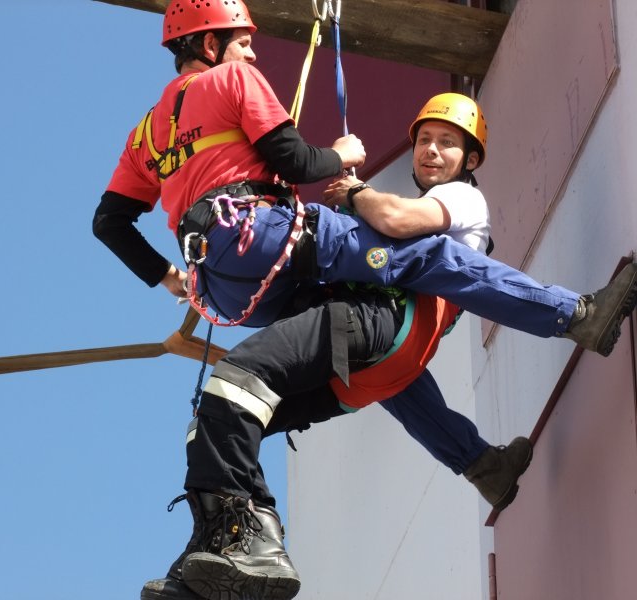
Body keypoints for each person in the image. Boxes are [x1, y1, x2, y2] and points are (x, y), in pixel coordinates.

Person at [139, 90, 636, 599]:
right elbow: (403, 375)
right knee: (216, 418)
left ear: (471, 160)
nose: (431, 150)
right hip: (375, 371)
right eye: (425, 140)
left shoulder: (462, 199)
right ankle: (221, 551)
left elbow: (397, 221)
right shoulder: (402, 217)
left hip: (388, 324)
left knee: (246, 374)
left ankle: (575, 314)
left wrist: (354, 194)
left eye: (447, 143)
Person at [94, 0, 637, 359]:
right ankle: (574, 316)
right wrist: (340, 155)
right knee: (431, 256)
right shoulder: (234, 78)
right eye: (242, 41)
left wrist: (169, 277)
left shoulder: (143, 136)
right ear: (211, 47)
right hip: (263, 237)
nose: (252, 52)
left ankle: (478, 461)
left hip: (223, 288)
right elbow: (297, 164)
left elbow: (109, 223)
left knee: (353, 330)